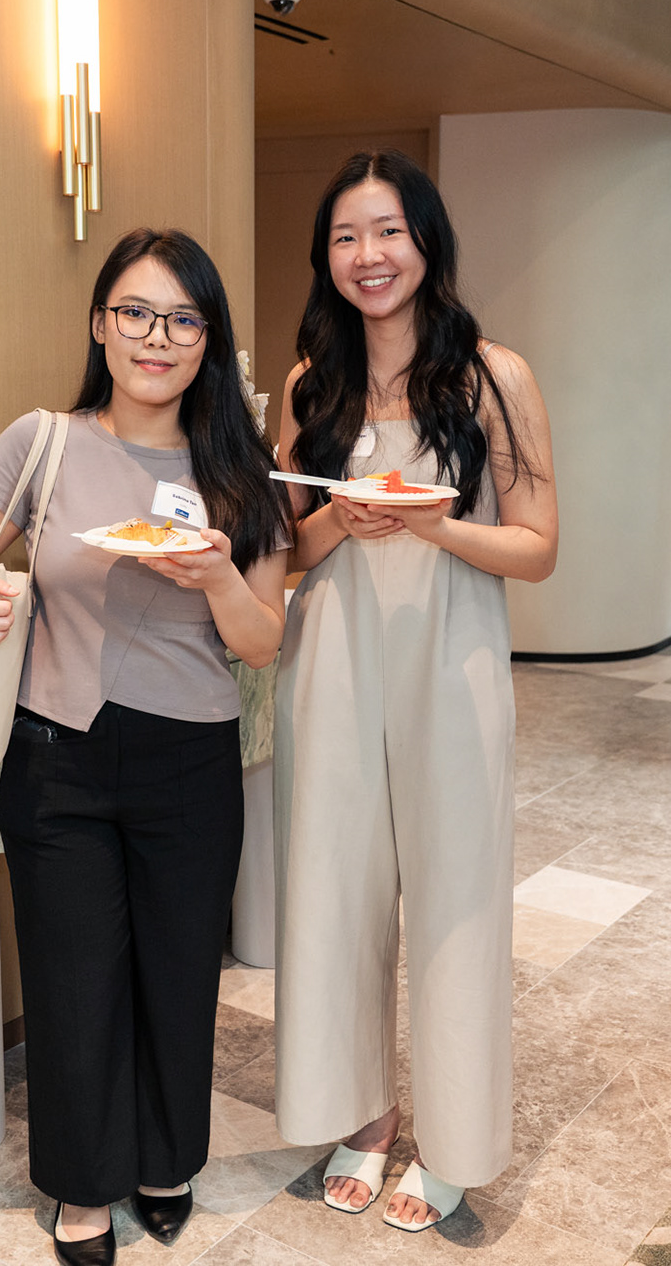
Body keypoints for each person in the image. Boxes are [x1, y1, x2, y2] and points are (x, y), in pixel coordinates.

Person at [0, 229, 290, 1265]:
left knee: (179, 969)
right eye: (135, 312)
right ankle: (82, 1185)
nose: (155, 337)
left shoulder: (241, 470)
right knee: (73, 981)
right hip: (59, 754)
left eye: (182, 318)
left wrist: (217, 576)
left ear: (207, 339)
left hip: (193, 760)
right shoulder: (41, 442)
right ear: (99, 324)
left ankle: (166, 1158)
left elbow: (263, 640)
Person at [272, 150, 558, 1232]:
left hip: (454, 656)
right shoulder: (311, 385)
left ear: (427, 240)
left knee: (457, 895)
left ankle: (452, 1135)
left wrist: (435, 523)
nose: (369, 255)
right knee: (333, 890)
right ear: (326, 258)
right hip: (333, 656)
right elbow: (284, 554)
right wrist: (336, 520)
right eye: (346, 237)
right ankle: (365, 1112)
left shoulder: (494, 377)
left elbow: (537, 547)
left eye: (388, 230)